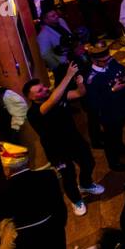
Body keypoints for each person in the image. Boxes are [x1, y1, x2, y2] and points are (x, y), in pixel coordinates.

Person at [22, 68, 102, 215]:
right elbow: (52, 102)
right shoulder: (33, 112)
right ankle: (77, 201)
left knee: (89, 162)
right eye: (39, 91)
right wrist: (68, 75)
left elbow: (79, 93)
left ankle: (85, 184)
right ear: (32, 98)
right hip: (56, 150)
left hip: (74, 140)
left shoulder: (56, 95)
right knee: (68, 175)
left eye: (44, 87)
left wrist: (80, 84)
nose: (45, 90)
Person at [83, 41, 125, 171]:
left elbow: (121, 70)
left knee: (119, 131)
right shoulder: (91, 78)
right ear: (94, 60)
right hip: (109, 113)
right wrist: (112, 90)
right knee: (110, 139)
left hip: (121, 106)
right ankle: (114, 162)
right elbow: (94, 102)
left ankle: (121, 146)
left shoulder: (110, 61)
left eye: (108, 58)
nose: (107, 62)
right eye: (103, 61)